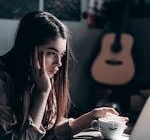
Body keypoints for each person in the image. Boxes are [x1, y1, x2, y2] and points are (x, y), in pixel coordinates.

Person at [0, 11, 128, 140]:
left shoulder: (40, 77)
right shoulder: (3, 81)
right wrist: (43, 93)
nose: (59, 63)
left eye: (61, 54)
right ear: (28, 48)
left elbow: (48, 132)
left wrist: (90, 117)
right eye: (51, 53)